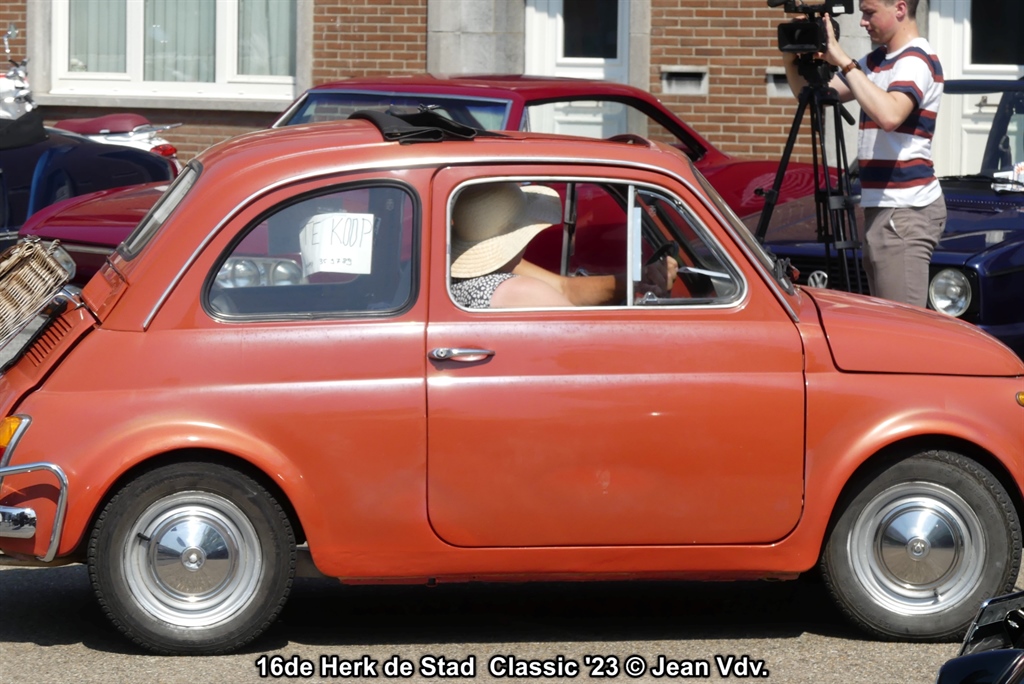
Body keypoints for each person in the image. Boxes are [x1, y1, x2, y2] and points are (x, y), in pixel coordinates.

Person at [782, 0, 945, 308]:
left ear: (899, 9)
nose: (862, 22)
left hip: (905, 210)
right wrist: (792, 57)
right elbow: (816, 94)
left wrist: (843, 59)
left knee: (902, 325)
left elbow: (890, 115)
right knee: (884, 323)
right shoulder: (877, 60)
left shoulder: (916, 59)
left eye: (869, 13)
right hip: (884, 208)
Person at [449, 182, 677, 309]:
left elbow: (564, 288)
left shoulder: (463, 275)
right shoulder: (518, 290)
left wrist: (638, 280)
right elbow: (586, 339)